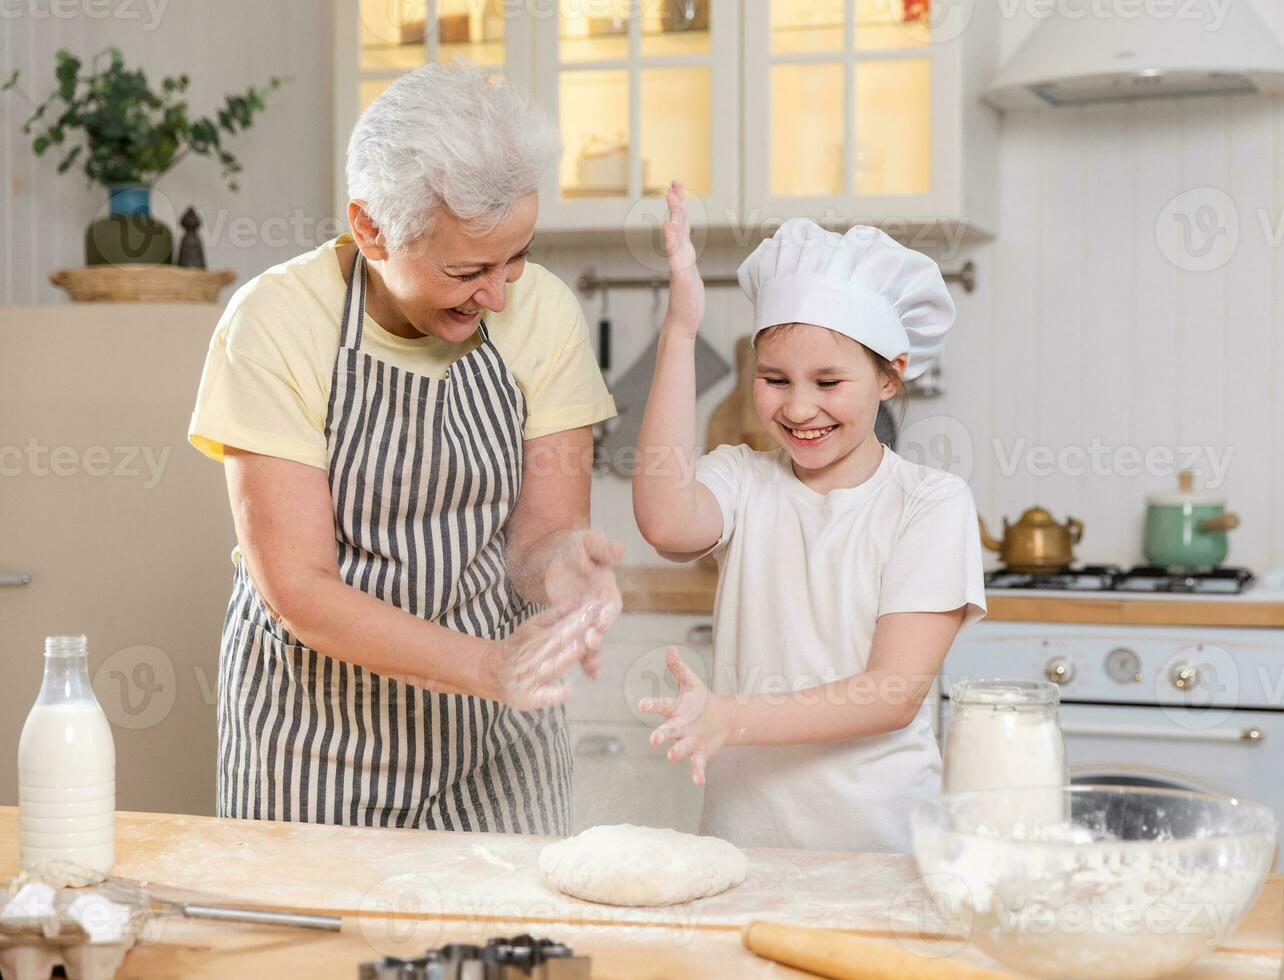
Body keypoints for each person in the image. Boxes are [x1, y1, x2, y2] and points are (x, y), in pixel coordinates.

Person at [187, 63, 621, 833]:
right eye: (467, 270)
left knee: (511, 948)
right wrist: (490, 667)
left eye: (516, 257)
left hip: (496, 740)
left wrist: (567, 569)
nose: (499, 294)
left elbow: (537, 539)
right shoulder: (277, 324)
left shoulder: (543, 312)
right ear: (370, 228)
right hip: (314, 741)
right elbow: (300, 589)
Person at [632, 183, 987, 852]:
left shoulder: (929, 505)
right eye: (774, 380)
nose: (798, 408)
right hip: (742, 848)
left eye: (828, 383)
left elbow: (890, 693)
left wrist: (727, 717)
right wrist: (680, 330)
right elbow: (665, 520)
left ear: (890, 376)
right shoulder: (742, 479)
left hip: (880, 854)